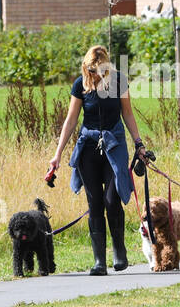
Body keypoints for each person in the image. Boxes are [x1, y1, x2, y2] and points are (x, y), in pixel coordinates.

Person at [48, 45, 148, 276]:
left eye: (100, 70)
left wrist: (139, 143)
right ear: (86, 67)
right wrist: (58, 154)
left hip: (114, 144)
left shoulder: (118, 82)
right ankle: (98, 261)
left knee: (112, 200)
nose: (95, 74)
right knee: (95, 204)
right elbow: (71, 120)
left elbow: (128, 114)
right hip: (89, 147)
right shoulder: (80, 85)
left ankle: (119, 251)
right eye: (92, 70)